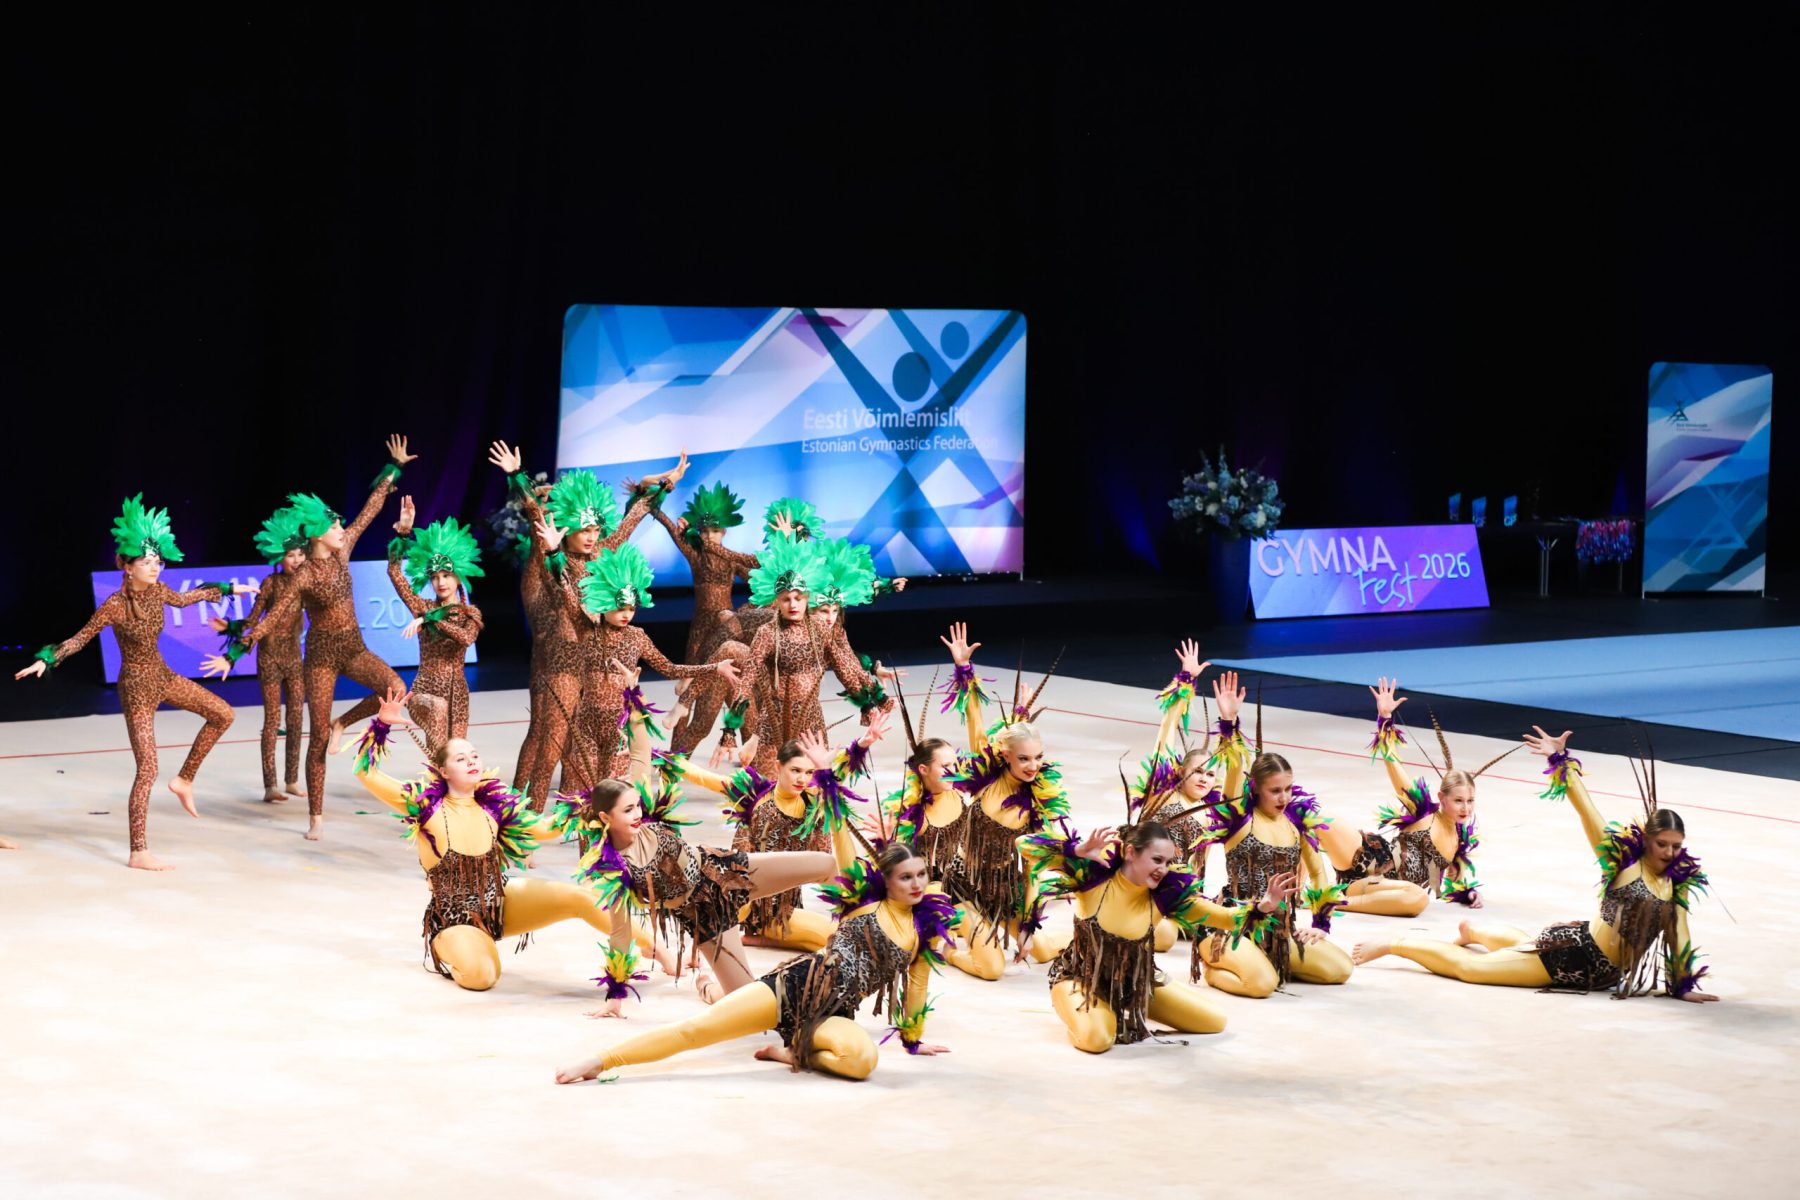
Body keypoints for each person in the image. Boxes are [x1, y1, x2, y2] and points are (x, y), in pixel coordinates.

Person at [1354, 727, 1718, 1002]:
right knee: (1472, 969)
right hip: (1571, 955)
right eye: (1662, 844)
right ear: (1647, 840)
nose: (1669, 853)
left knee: (1527, 944)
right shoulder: (1623, 864)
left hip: (1604, 975)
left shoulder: (1676, 884)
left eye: (1676, 846)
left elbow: (1679, 933)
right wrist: (1560, 762)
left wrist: (1683, 984)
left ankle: (1474, 932)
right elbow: (1588, 811)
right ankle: (1395, 944)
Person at [347, 686, 672, 989]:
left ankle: (653, 947)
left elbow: (545, 829)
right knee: (482, 978)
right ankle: (453, 944)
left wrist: (586, 809)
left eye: (474, 755)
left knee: (580, 898)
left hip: (500, 899)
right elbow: (365, 771)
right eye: (460, 759)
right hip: (455, 916)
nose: (471, 761)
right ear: (444, 772)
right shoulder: (425, 805)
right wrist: (381, 725)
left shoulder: (495, 806)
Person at [555, 839, 955, 1084]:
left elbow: (917, 986)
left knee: (862, 1061)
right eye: (906, 877)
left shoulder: (924, 931)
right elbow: (842, 847)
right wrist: (828, 781)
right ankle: (601, 1060)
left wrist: (914, 1040)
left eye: (921, 874)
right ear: (886, 881)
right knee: (697, 1031)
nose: (917, 883)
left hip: (835, 1012)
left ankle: (793, 1050)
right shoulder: (864, 902)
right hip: (793, 987)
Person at [202, 435, 420, 840]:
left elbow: (370, 509)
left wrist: (395, 468)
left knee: (395, 687)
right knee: (316, 738)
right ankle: (316, 816)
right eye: (334, 526)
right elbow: (271, 619)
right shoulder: (302, 576)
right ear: (318, 534)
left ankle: (344, 722)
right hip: (320, 656)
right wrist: (233, 654)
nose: (341, 529)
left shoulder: (343, 551)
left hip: (353, 647)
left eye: (338, 525)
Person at [17, 495, 252, 869]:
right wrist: (46, 659)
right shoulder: (114, 604)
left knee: (223, 714)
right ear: (126, 567)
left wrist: (226, 589)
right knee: (148, 769)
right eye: (146, 562)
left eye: (158, 561)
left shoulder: (159, 591)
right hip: (136, 688)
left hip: (163, 675)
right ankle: (138, 851)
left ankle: (185, 780)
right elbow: (81, 638)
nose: (155, 567)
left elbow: (184, 600)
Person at [1024, 820, 1300, 1052]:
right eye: (1156, 860)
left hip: (1135, 985)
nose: (1163, 869)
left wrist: (1262, 907)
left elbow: (1225, 918)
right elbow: (1023, 844)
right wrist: (1075, 850)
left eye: (1168, 862)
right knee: (1097, 1040)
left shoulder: (1165, 895)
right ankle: (1082, 1009)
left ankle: (1118, 1007)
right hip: (1081, 978)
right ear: (1130, 852)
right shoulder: (1092, 877)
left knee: (1214, 1021)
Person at [658, 712, 889, 951]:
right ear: (778, 766)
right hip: (750, 904)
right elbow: (703, 777)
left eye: (809, 773)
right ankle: (753, 932)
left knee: (849, 938)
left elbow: (837, 773)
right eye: (795, 770)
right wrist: (660, 756)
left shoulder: (810, 798)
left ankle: (764, 937)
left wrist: (863, 743)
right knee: (842, 941)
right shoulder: (753, 794)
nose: (802, 779)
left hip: (785, 910)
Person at [1189, 670, 1353, 995]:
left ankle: (1262, 960)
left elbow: (1318, 872)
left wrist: (1320, 923)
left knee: (1340, 969)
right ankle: (1212, 966)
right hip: (1235, 925)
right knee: (1263, 985)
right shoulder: (1240, 819)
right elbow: (1234, 769)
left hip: (1278, 931)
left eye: (1288, 789)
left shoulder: (1296, 823)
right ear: (1255, 789)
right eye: (1275, 791)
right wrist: (1229, 724)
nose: (1284, 797)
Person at [1316, 678, 1514, 916]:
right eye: (1458, 801)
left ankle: (1335, 902)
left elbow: (1455, 883)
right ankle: (1307, 887)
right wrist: (1385, 718)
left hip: (1386, 889)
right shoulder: (1423, 811)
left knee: (1418, 897)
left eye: (1470, 801)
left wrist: (1468, 893)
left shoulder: (1459, 840)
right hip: (1365, 856)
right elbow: (1392, 762)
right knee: (1315, 817)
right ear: (1442, 798)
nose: (1466, 808)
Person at [208, 504, 310, 804]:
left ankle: (291, 780)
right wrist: (231, 627)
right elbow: (255, 621)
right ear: (279, 557)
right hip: (269, 658)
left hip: (295, 658)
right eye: (290, 555)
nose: (297, 560)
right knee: (272, 720)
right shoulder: (271, 583)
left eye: (301, 554)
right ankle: (270, 785)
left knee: (296, 719)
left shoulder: (306, 584)